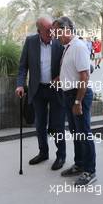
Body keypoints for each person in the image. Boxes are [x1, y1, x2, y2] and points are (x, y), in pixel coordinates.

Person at [16, 17, 66, 170]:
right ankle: (43, 152)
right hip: (37, 89)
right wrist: (20, 85)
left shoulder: (60, 41)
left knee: (57, 125)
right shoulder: (30, 41)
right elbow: (23, 66)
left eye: (52, 29)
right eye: (47, 30)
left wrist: (63, 76)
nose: (52, 32)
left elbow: (69, 63)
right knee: (40, 124)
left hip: (56, 89)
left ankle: (61, 156)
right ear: (39, 31)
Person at [52, 16, 96, 187]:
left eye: (57, 32)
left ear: (66, 29)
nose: (55, 36)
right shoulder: (68, 47)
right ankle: (79, 164)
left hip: (79, 97)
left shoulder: (78, 46)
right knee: (77, 134)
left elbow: (85, 76)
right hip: (69, 95)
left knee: (84, 135)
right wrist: (61, 79)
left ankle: (90, 171)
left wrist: (78, 102)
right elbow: (73, 71)